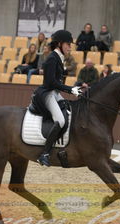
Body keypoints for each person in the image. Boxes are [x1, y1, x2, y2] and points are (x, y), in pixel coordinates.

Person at [32, 30, 84, 166]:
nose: (70, 47)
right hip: (47, 93)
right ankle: (44, 153)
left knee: (69, 110)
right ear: (60, 44)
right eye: (68, 44)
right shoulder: (52, 58)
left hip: (54, 92)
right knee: (60, 121)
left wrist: (74, 89)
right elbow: (50, 83)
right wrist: (70, 89)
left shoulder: (59, 58)